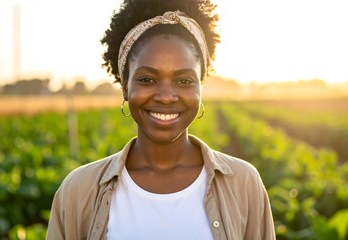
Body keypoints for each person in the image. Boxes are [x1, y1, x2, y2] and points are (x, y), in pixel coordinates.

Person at [46, 0, 275, 239]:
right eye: (147, 79)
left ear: (200, 87)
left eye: (184, 81)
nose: (166, 97)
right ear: (125, 87)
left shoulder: (244, 184)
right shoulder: (77, 191)